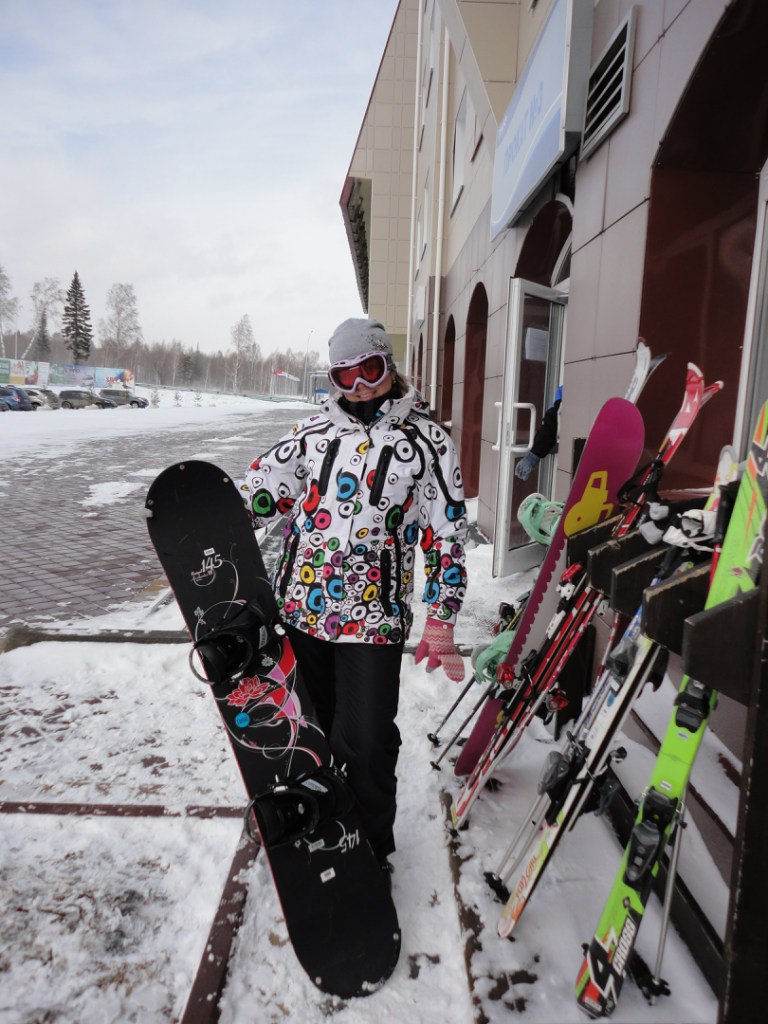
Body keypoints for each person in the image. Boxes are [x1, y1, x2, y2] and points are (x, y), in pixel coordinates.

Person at [242, 317, 468, 872]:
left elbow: (446, 531)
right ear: (333, 379)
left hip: (374, 619)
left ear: (389, 367)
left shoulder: (427, 443)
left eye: (371, 369)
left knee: (365, 741)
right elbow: (261, 492)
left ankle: (368, 847)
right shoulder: (311, 436)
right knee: (308, 733)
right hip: (302, 610)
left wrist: (442, 615)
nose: (360, 385)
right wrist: (211, 521)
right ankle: (315, 826)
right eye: (345, 375)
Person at [514, 384, 563, 481]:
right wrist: (533, 456)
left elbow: (551, 424)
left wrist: (533, 456)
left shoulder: (569, 388)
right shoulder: (564, 390)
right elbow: (551, 425)